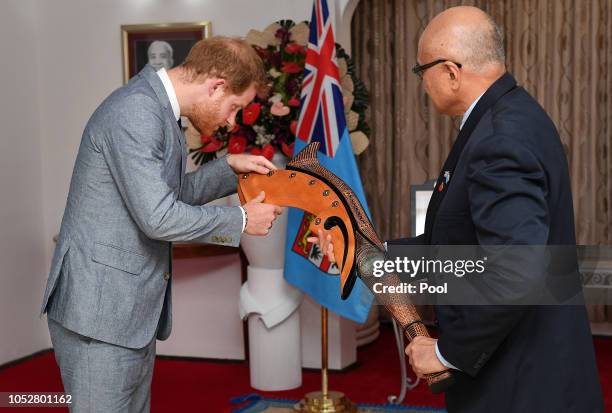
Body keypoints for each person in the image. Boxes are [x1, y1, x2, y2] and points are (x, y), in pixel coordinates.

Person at [315, 6, 603, 412]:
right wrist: (364, 251)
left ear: (450, 71)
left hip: (518, 381)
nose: (422, 83)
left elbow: (514, 271)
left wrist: (447, 353)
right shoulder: (506, 116)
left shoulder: (499, 138)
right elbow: (458, 249)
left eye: (422, 71)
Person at [40, 36, 282, 412]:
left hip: (124, 309)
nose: (232, 121)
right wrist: (241, 220)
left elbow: (167, 195)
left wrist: (228, 169)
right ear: (216, 86)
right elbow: (160, 217)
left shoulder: (159, 110)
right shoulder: (137, 111)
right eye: (235, 107)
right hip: (99, 313)